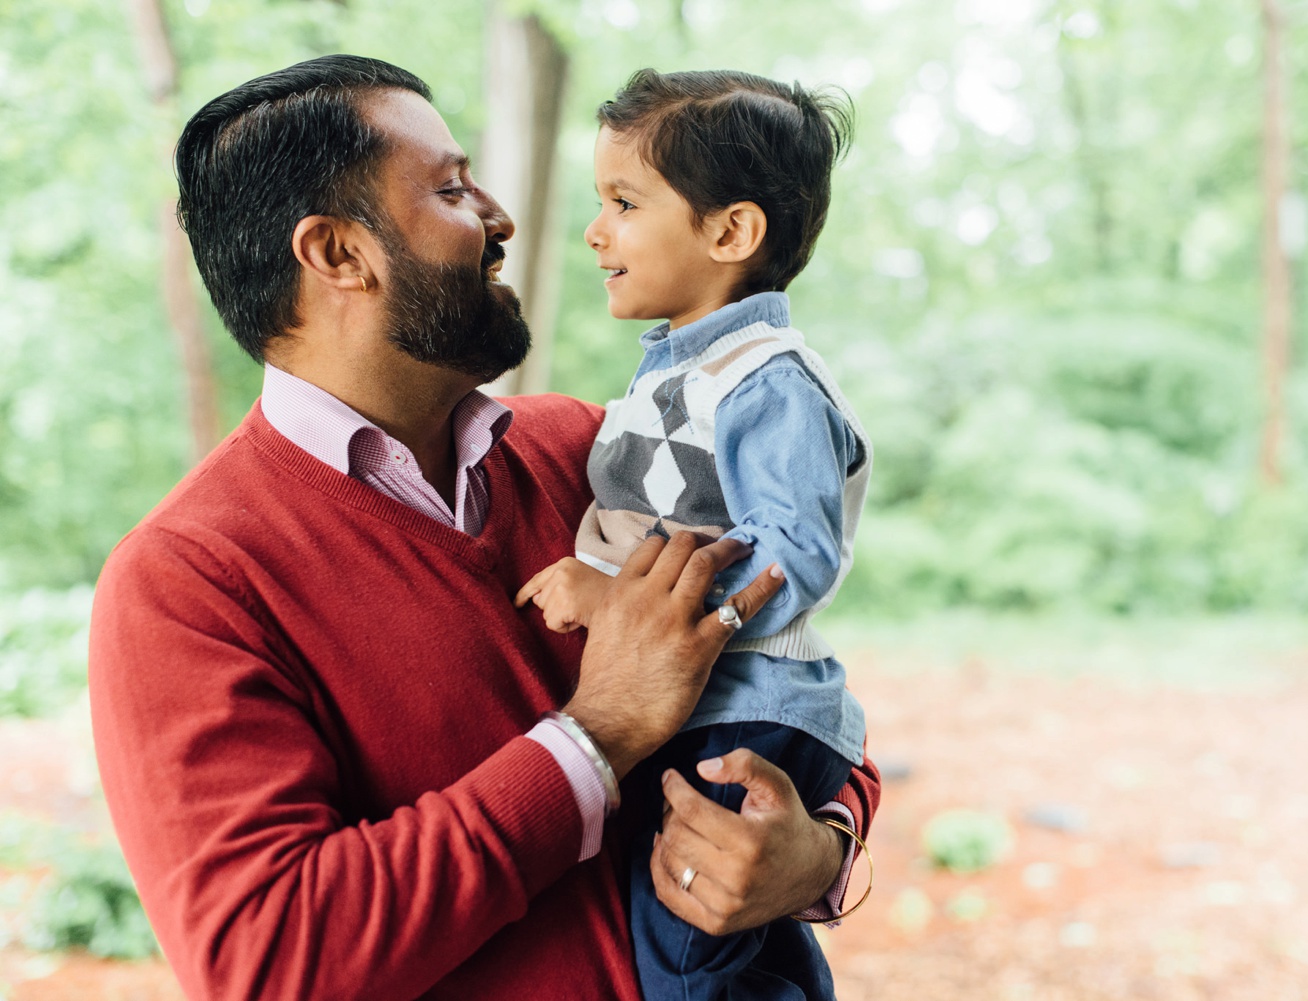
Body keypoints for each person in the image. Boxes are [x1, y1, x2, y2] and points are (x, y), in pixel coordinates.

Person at [87, 54, 878, 1001]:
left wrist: (820, 855)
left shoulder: (594, 451)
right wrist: (599, 733)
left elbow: (790, 699)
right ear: (339, 254)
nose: (501, 218)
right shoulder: (186, 581)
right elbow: (271, 957)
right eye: (454, 189)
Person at [513, 69, 870, 1001]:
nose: (596, 231)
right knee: (725, 944)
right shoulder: (679, 368)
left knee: (678, 964)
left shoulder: (768, 379)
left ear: (730, 232)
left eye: (624, 203)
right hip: (712, 703)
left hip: (749, 709)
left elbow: (797, 549)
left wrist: (617, 600)